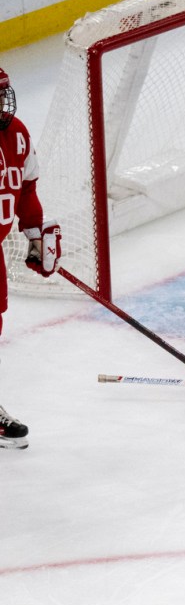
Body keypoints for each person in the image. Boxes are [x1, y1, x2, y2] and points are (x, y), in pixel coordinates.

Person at [0, 66, 62, 450]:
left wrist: (36, 236)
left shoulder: (16, 134)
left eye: (3, 93)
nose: (3, 102)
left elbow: (26, 190)